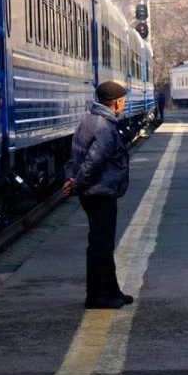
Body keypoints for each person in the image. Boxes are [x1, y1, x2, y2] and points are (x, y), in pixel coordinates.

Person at [64, 81, 133, 309]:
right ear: (116, 103)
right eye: (123, 101)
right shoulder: (104, 126)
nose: (124, 104)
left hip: (94, 191)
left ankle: (112, 290)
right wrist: (77, 184)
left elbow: (75, 155)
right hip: (99, 192)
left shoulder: (88, 120)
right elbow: (94, 161)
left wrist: (72, 179)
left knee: (103, 243)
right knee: (100, 245)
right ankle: (97, 296)